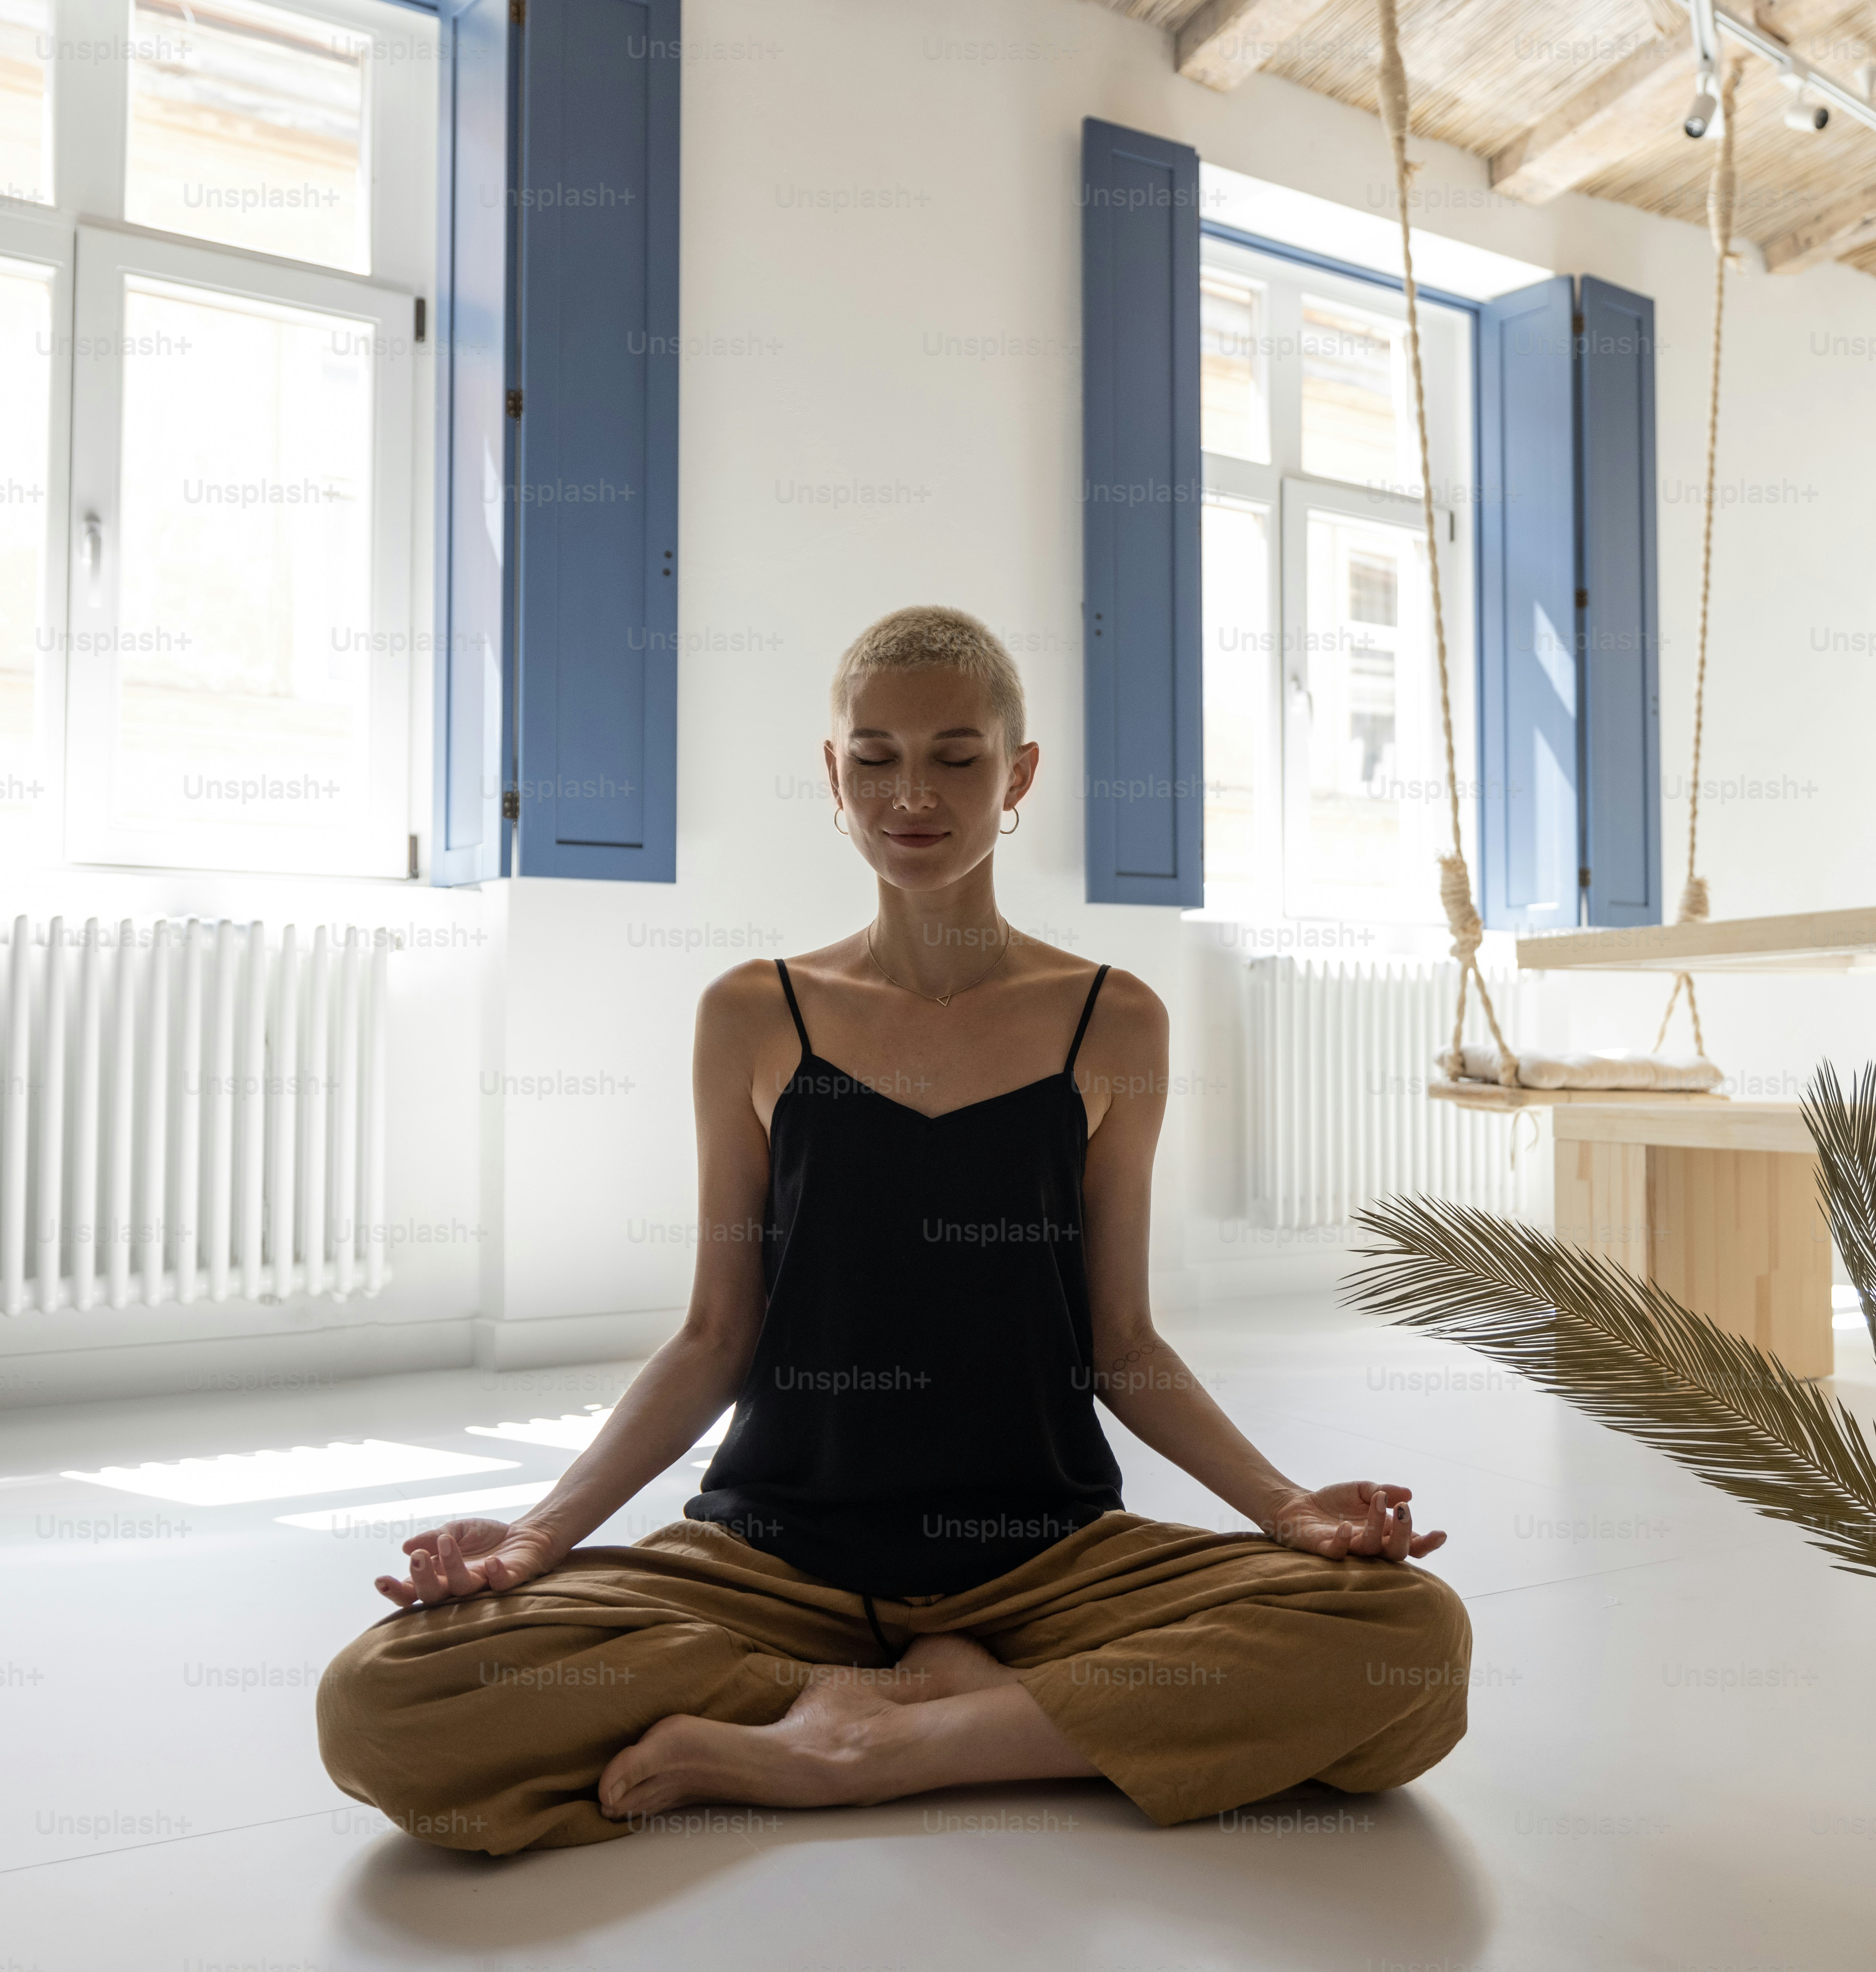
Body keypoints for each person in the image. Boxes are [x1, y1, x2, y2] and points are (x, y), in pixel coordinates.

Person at [315, 606, 1470, 1852]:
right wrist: (542, 1534)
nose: (912, 793)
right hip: (776, 1559)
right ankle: (898, 1704)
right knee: (383, 1700)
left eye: (957, 756)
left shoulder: (1114, 1021)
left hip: (1048, 1558)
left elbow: (1122, 1342)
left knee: (1411, 1644)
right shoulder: (751, 1014)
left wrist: (1290, 1508)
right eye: (874, 757)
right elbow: (713, 1336)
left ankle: (894, 1741)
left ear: (1018, 773)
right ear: (834, 775)